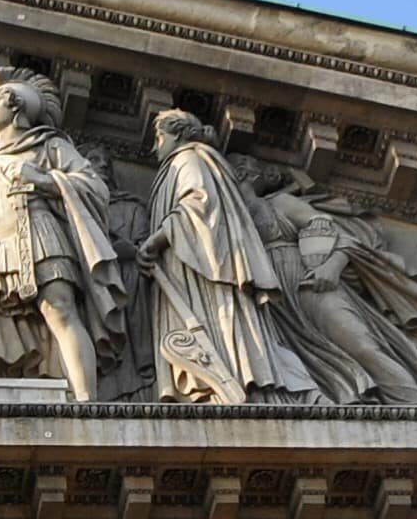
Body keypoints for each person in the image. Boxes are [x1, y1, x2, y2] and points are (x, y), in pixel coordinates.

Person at [0, 68, 123, 400]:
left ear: (15, 106)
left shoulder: (48, 146)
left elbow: (94, 186)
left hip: (38, 236)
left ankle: (87, 401)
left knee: (59, 308)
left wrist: (42, 179)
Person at [239, 164, 417, 405]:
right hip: (273, 298)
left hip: (309, 281)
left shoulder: (279, 203)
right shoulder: (226, 219)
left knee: (361, 344)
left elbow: (337, 235)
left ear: (243, 175)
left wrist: (331, 266)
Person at [137, 110, 319, 405]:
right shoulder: (182, 163)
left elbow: (199, 203)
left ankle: (233, 380)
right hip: (187, 266)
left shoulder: (190, 159)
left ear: (179, 134)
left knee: (217, 323)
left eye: (159, 137)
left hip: (205, 271)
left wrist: (156, 241)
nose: (154, 147)